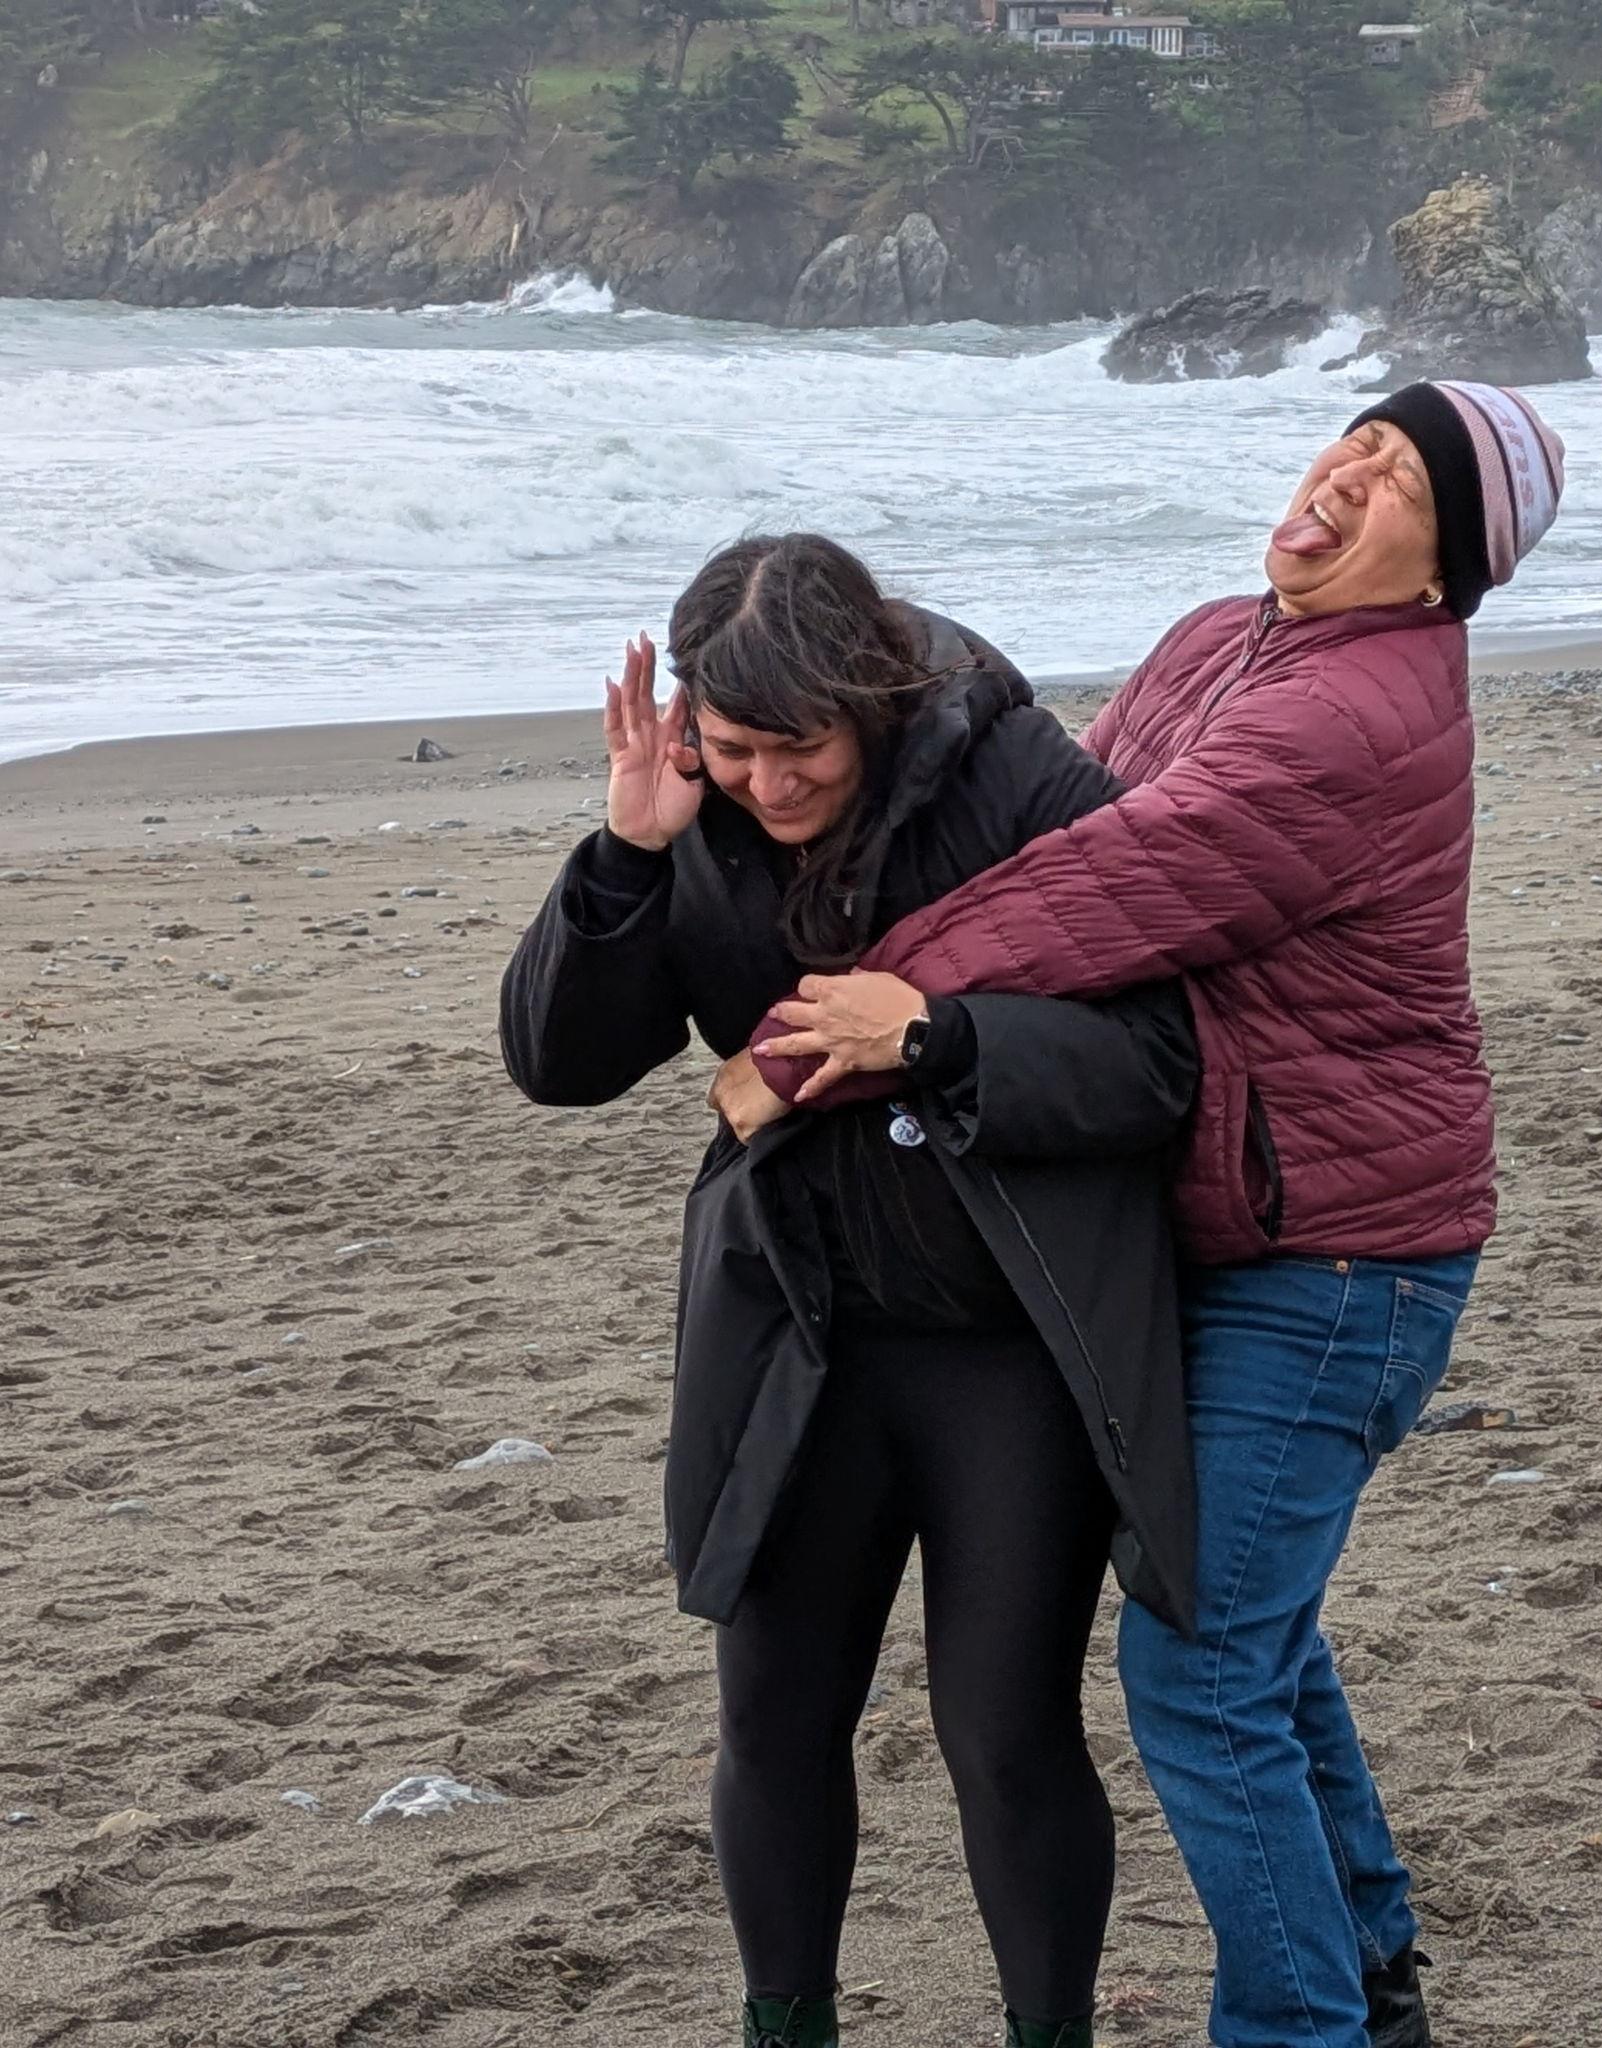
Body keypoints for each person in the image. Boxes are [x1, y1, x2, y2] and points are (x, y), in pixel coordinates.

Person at [747, 383, 1566, 2048]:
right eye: (1352, 441)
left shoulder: (1352, 718)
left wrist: (821, 1032)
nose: (1342, 476)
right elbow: (1054, 808)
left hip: (1341, 1257)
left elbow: (1109, 887)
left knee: (1201, 1668)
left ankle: (1301, 2024)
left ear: (1448, 567)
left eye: (1397, 478)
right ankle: (1371, 1964)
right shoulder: (1223, 636)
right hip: (1262, 1224)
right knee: (1253, 1630)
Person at [498, 535, 1202, 2048]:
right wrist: (626, 854)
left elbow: (1163, 1064)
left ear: (871, 701)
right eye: (731, 748)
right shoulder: (691, 812)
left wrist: (941, 1037)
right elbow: (558, 1064)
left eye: (796, 748)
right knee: (773, 1719)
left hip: (1006, 1344)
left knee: (1004, 1736)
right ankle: (787, 2029)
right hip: (797, 1333)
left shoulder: (1021, 783)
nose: (767, 783)